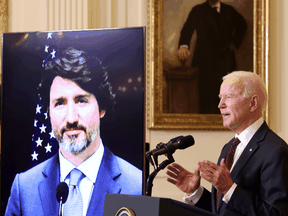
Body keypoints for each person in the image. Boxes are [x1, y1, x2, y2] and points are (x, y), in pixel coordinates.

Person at [5, 47, 142, 216]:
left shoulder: (137, 185)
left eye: (81, 100)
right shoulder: (24, 187)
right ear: (49, 112)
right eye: (60, 103)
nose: (71, 118)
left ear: (102, 108)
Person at [166, 71, 288, 215]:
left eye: (228, 97)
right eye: (220, 98)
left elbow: (277, 214)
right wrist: (195, 192)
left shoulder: (275, 151)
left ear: (253, 103)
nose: (220, 105)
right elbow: (223, 211)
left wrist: (230, 189)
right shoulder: (229, 147)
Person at [177, 0, 247, 114]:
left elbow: (242, 25)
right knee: (205, 99)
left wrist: (234, 43)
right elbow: (187, 29)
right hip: (204, 62)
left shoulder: (229, 11)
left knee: (225, 98)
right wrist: (183, 46)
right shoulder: (198, 11)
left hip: (225, 61)